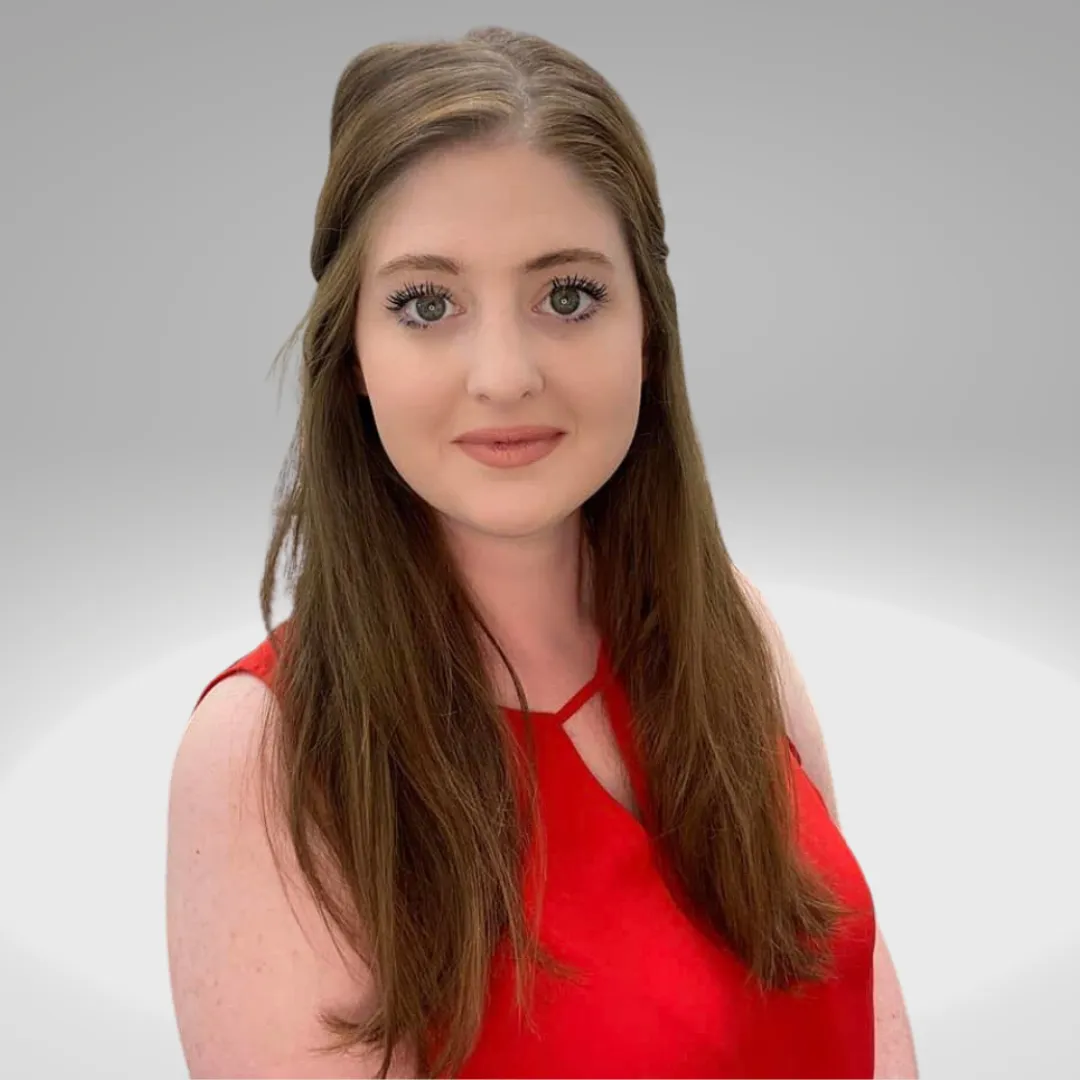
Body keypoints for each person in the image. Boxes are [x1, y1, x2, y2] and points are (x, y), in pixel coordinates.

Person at [165, 25, 917, 1080]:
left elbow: (865, 1015)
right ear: (354, 358)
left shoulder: (731, 628)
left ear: (647, 333)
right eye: (427, 304)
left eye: (567, 296)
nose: (505, 374)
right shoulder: (269, 754)